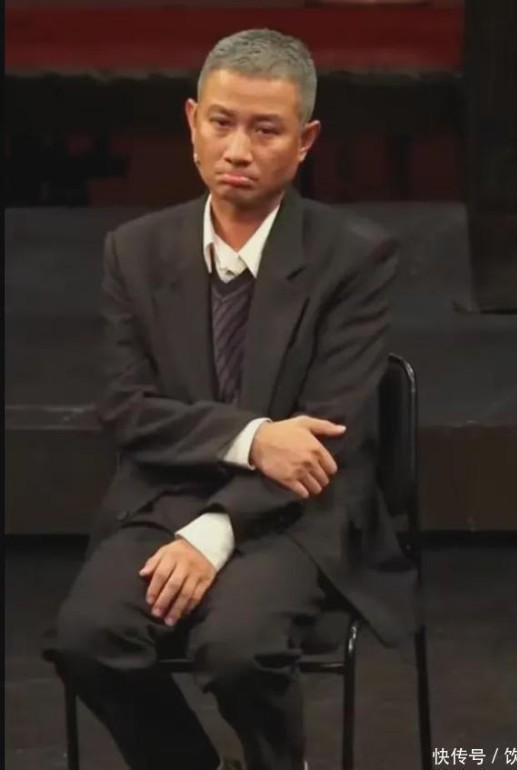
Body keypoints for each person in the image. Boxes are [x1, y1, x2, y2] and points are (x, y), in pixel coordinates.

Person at [50, 28, 416, 770]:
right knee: (87, 638)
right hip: (163, 500)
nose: (238, 149)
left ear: (305, 141)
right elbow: (129, 410)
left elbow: (327, 436)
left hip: (297, 514)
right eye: (221, 123)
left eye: (266, 130)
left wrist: (215, 532)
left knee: (238, 649)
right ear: (192, 122)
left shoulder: (354, 256)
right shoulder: (135, 251)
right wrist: (254, 438)